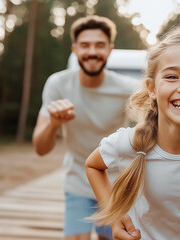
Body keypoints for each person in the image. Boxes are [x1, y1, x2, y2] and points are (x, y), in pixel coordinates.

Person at [85, 26, 180, 240]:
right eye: (172, 77)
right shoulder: (131, 142)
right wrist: (115, 216)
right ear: (152, 88)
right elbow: (93, 165)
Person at [32, 15, 139, 240]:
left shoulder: (127, 88)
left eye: (99, 45)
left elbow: (148, 126)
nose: (92, 51)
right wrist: (54, 122)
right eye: (85, 45)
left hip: (115, 184)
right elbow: (40, 148)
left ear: (110, 50)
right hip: (77, 180)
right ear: (75, 49)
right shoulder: (58, 84)